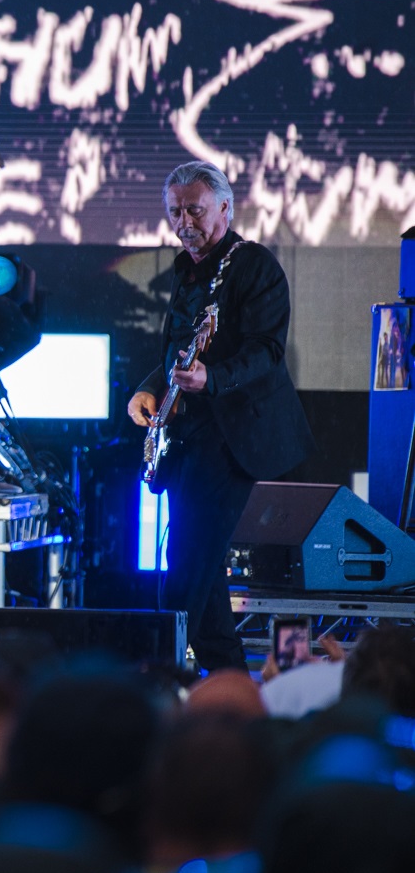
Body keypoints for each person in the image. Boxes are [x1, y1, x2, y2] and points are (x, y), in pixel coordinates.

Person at [127, 160, 313, 671]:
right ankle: (227, 680)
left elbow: (266, 352)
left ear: (226, 208)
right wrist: (149, 390)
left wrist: (213, 378)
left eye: (194, 210)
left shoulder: (253, 266)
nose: (183, 222)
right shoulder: (187, 271)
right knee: (190, 567)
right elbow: (174, 349)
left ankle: (186, 679)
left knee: (191, 568)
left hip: (240, 437)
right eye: (174, 212)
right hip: (192, 432)